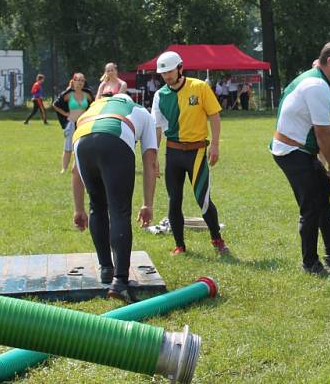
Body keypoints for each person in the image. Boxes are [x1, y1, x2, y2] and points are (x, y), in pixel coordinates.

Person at [271, 43, 330, 275]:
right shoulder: (317, 86)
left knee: (328, 195)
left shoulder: (323, 83)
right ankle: (310, 263)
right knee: (311, 206)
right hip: (291, 152)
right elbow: (322, 133)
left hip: (298, 150)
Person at [72, 93, 158, 302]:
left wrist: (78, 209)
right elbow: (151, 163)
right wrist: (147, 204)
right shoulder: (141, 111)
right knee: (119, 211)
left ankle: (106, 269)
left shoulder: (91, 108)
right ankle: (120, 281)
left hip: (82, 141)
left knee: (97, 206)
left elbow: (75, 171)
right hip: (115, 137)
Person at [151, 51, 230, 256]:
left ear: (180, 68)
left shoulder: (200, 87)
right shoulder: (159, 95)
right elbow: (157, 128)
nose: (166, 76)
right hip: (173, 153)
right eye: (163, 73)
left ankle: (217, 239)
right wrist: (153, 158)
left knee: (202, 199)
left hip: (196, 152)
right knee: (174, 200)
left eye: (169, 71)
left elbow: (214, 116)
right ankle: (180, 245)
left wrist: (215, 145)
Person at [53, 73, 94, 174]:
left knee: (82, 146)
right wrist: (65, 113)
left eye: (82, 80)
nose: (80, 82)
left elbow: (94, 105)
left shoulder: (87, 95)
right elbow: (55, 104)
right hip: (71, 123)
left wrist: (89, 114)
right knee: (68, 147)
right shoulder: (68, 94)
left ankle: (78, 167)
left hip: (83, 124)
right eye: (78, 80)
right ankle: (64, 168)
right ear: (73, 81)